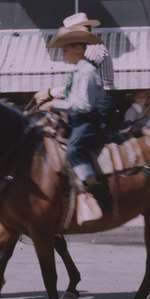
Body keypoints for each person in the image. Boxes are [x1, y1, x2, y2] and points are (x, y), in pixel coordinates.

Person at [35, 25, 111, 210]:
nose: (63, 53)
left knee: (73, 150)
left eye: (66, 49)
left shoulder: (86, 72)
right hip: (79, 119)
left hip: (88, 121)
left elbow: (83, 105)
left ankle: (97, 190)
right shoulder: (79, 70)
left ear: (79, 48)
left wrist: (54, 104)